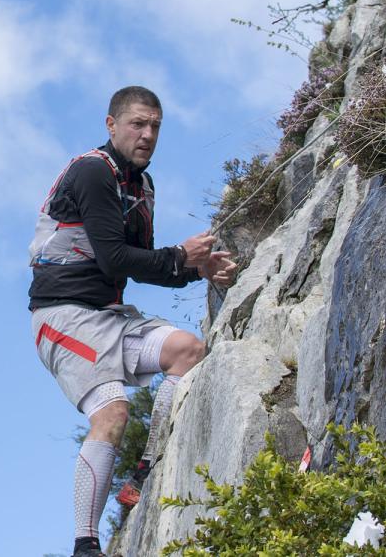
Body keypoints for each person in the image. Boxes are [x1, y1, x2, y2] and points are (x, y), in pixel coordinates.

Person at [28, 86, 238, 557]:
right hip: (61, 317)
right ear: (111, 125)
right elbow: (113, 260)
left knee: (188, 349)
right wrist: (181, 256)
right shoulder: (91, 172)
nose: (147, 135)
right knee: (113, 411)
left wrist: (196, 268)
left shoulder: (142, 187)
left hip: (110, 316)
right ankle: (85, 544)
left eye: (156, 127)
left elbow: (143, 264)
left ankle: (143, 472)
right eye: (137, 124)